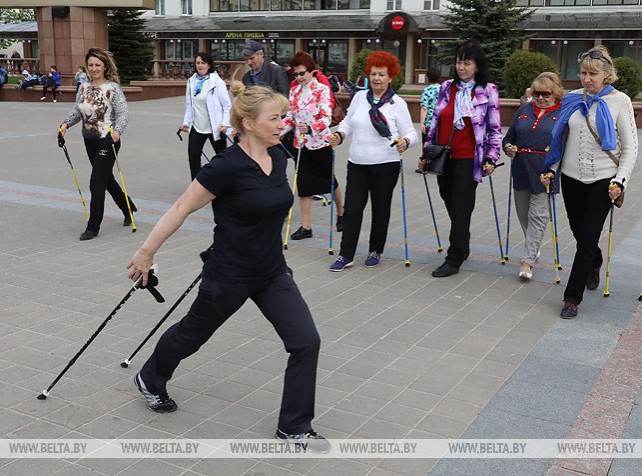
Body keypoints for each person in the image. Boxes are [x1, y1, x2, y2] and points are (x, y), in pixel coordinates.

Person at [126, 84, 329, 453]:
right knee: (191, 336)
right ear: (249, 123)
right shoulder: (225, 166)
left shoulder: (280, 156)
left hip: (272, 273)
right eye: (275, 118)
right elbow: (180, 208)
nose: (283, 123)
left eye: (283, 116)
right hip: (229, 274)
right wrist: (146, 252)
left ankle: (295, 426)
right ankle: (150, 377)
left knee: (306, 341)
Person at [542, 46, 638, 319]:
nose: (586, 78)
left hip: (604, 180)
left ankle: (572, 298)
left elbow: (630, 148)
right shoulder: (572, 99)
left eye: (593, 73)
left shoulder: (621, 101)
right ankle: (594, 262)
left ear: (607, 74)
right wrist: (551, 169)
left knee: (587, 238)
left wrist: (620, 180)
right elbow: (560, 138)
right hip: (572, 178)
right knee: (578, 231)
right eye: (583, 73)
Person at [328, 51, 418, 271]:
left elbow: (412, 133)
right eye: (374, 74)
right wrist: (339, 135)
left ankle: (375, 250)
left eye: (382, 75)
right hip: (357, 163)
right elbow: (348, 123)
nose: (377, 78)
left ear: (390, 77)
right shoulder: (359, 97)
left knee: (380, 209)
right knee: (353, 209)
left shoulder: (397, 103)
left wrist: (405, 142)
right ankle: (346, 254)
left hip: (386, 165)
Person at [424, 40, 502, 278]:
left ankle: (454, 257)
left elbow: (495, 129)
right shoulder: (447, 87)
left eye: (467, 63)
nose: (462, 67)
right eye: (459, 62)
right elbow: (434, 121)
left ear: (477, 66)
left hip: (469, 158)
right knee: (450, 202)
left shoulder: (488, 90)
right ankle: (463, 241)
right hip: (444, 156)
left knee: (461, 207)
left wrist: (491, 156)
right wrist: (427, 151)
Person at [59, 47, 136, 241]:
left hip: (108, 139)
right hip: (89, 139)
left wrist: (117, 131)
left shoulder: (113, 88)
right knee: (106, 179)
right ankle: (128, 207)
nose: (94, 68)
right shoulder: (83, 87)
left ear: (105, 66)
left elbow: (123, 113)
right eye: (91, 65)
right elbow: (78, 111)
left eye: (98, 65)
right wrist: (65, 124)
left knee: (96, 183)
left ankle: (93, 226)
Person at [503, 72, 564, 281]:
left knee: (538, 217)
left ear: (555, 92)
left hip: (545, 172)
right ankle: (533, 246)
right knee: (523, 214)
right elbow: (509, 137)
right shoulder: (524, 110)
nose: (540, 97)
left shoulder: (562, 113)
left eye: (545, 93)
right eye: (536, 93)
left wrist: (553, 171)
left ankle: (527, 261)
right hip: (521, 168)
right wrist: (508, 147)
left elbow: (563, 147)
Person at [282, 51, 344, 240]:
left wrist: (311, 128)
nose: (299, 77)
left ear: (311, 71)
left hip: (321, 142)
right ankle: (306, 226)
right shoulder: (294, 91)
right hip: (301, 145)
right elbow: (291, 118)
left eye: (302, 73)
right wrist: (276, 130)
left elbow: (326, 117)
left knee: (329, 180)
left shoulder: (322, 89)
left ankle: (342, 213)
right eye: (296, 74)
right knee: (304, 185)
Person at [180, 52, 232, 181]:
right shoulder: (191, 81)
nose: (200, 66)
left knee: (222, 158)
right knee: (193, 155)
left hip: (215, 127)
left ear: (209, 65)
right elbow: (189, 106)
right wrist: (186, 123)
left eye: (203, 63)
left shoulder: (216, 82)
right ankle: (196, 184)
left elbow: (227, 105)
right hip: (198, 127)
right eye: (198, 63)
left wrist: (225, 124)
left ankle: (226, 182)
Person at [416, 67, 441, 173]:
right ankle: (437, 165)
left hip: (429, 123)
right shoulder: (444, 89)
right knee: (438, 144)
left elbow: (424, 107)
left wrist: (421, 122)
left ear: (427, 78)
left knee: (427, 144)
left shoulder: (427, 90)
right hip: (440, 123)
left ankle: (425, 166)